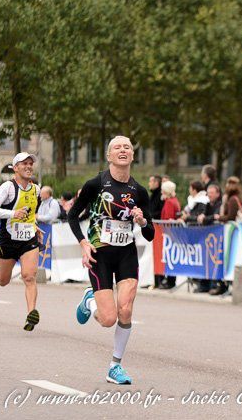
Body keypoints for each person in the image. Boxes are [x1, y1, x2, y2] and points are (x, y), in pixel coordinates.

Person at [69, 136, 154, 385]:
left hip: (126, 253)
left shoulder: (139, 191)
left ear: (132, 155)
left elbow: (150, 235)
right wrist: (84, 243)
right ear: (109, 156)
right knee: (108, 319)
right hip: (100, 254)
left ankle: (115, 366)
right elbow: (73, 215)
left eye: (127, 146)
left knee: (125, 310)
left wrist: (142, 221)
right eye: (117, 147)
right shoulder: (96, 184)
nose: (123, 150)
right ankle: (89, 300)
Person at [0, 152, 42, 331]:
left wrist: (34, 224)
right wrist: (12, 214)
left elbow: (32, 212)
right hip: (8, 240)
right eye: (24, 163)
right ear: (15, 168)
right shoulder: (8, 188)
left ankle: (31, 315)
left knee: (29, 276)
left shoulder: (36, 189)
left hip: (28, 239)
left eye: (30, 163)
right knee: (3, 281)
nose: (28, 166)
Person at [158, 181, 180, 290]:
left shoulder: (169, 202)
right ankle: (170, 280)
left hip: (168, 233)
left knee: (169, 256)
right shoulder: (175, 201)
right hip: (173, 233)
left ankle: (170, 281)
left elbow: (167, 218)